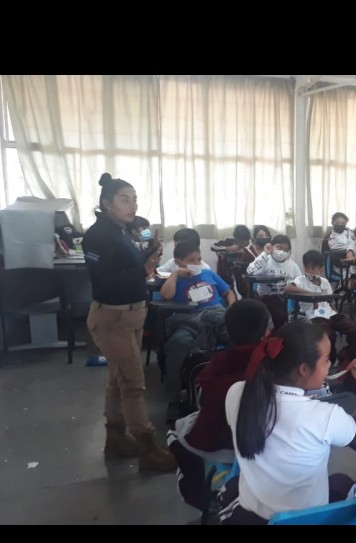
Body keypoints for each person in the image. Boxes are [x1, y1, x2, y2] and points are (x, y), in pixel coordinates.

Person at [219, 320, 356, 524]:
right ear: (304, 369)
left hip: (252, 511)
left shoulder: (237, 393)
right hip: (304, 519)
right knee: (343, 483)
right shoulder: (324, 416)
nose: (330, 365)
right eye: (326, 360)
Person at [82, 172, 176, 472]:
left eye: (134, 199)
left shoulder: (122, 231)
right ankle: (147, 447)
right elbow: (105, 281)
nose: (132, 205)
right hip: (113, 318)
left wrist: (149, 253)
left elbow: (130, 266)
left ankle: (115, 439)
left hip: (132, 315)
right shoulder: (97, 236)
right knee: (134, 383)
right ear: (106, 203)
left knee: (118, 379)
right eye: (125, 199)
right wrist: (144, 268)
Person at [167, 298, 270, 510]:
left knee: (178, 431)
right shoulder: (270, 363)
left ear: (227, 332)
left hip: (218, 444)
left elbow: (204, 405)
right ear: (265, 332)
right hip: (263, 450)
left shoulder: (216, 363)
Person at [159, 241, 237, 411]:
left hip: (216, 315)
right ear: (179, 261)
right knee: (176, 344)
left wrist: (231, 308)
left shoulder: (208, 273)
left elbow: (228, 292)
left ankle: (234, 387)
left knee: (236, 337)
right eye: (191, 260)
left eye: (199, 259)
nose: (196, 263)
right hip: (189, 320)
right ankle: (175, 398)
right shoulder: (175, 278)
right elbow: (166, 295)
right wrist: (175, 274)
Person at [284, 249, 356, 361]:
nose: (309, 270)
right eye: (307, 267)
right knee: (329, 334)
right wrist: (310, 293)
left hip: (329, 313)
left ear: (321, 269)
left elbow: (330, 302)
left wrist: (336, 314)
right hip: (314, 316)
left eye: (313, 268)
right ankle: (330, 361)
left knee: (354, 330)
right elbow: (288, 288)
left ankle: (352, 357)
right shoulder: (301, 280)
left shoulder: (325, 282)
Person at [246, 234, 302, 329]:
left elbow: (300, 283)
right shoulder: (265, 260)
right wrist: (264, 253)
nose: (282, 252)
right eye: (279, 248)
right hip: (267, 297)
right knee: (278, 315)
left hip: (287, 298)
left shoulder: (292, 265)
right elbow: (250, 271)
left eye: (286, 250)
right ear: (271, 246)